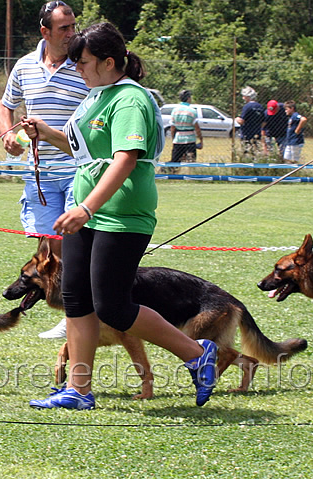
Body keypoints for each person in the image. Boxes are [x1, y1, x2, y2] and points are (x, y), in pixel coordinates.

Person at [20, 22, 218, 410]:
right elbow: (90, 150)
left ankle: (196, 353)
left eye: (84, 62)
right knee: (76, 299)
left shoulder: (130, 99)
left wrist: (86, 207)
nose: (78, 68)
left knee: (112, 306)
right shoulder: (97, 95)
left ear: (109, 62)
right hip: (85, 211)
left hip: (120, 214)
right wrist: (46, 132)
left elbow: (126, 158)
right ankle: (78, 391)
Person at [0, 1, 89, 340]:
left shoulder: (85, 65)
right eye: (64, 28)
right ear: (45, 32)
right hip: (39, 173)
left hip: (78, 168)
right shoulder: (24, 66)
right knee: (47, 249)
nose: (72, 33)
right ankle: (66, 309)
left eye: (73, 26)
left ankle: (74, 316)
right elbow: (5, 105)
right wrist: (8, 134)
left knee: (71, 245)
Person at [170, 90, 203, 163]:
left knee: (175, 161)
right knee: (191, 161)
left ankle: (170, 173)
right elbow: (197, 127)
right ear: (188, 98)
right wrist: (201, 139)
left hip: (178, 140)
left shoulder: (175, 110)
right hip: (190, 140)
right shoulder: (192, 111)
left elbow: (172, 127)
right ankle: (191, 173)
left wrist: (173, 138)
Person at [235, 86, 264, 154]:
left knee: (247, 151)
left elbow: (242, 121)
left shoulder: (247, 106)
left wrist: (237, 119)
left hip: (247, 133)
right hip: (257, 132)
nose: (243, 98)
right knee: (256, 151)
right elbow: (263, 122)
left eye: (244, 96)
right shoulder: (260, 106)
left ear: (248, 96)